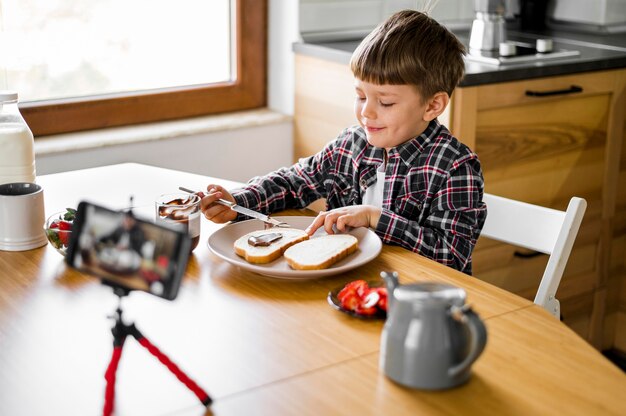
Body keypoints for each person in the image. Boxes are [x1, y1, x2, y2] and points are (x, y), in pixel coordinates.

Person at [200, 10, 487, 274]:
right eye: (361, 96)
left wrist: (376, 218)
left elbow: (451, 256)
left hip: (419, 299)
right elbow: (292, 183)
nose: (366, 112)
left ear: (433, 106)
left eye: (385, 102)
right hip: (351, 282)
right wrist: (239, 201)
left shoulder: (456, 167)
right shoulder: (351, 145)